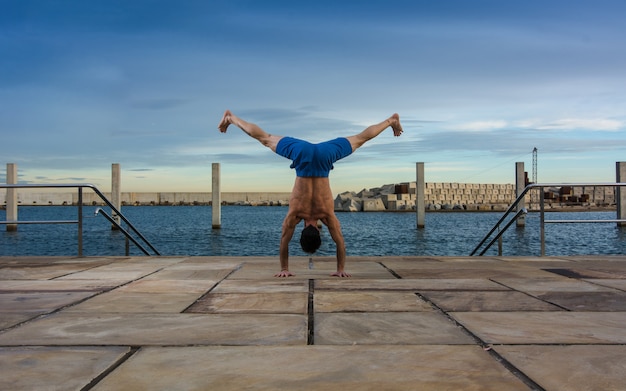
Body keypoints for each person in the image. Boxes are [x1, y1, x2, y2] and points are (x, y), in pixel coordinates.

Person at [218, 110, 403, 277]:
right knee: (265, 138)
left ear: (318, 233)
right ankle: (231, 118)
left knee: (359, 139)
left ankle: (390, 121)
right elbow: (284, 241)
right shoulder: (296, 214)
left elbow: (340, 243)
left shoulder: (326, 215)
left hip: (322, 158)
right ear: (302, 232)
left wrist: (341, 270)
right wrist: (284, 269)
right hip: (304, 156)